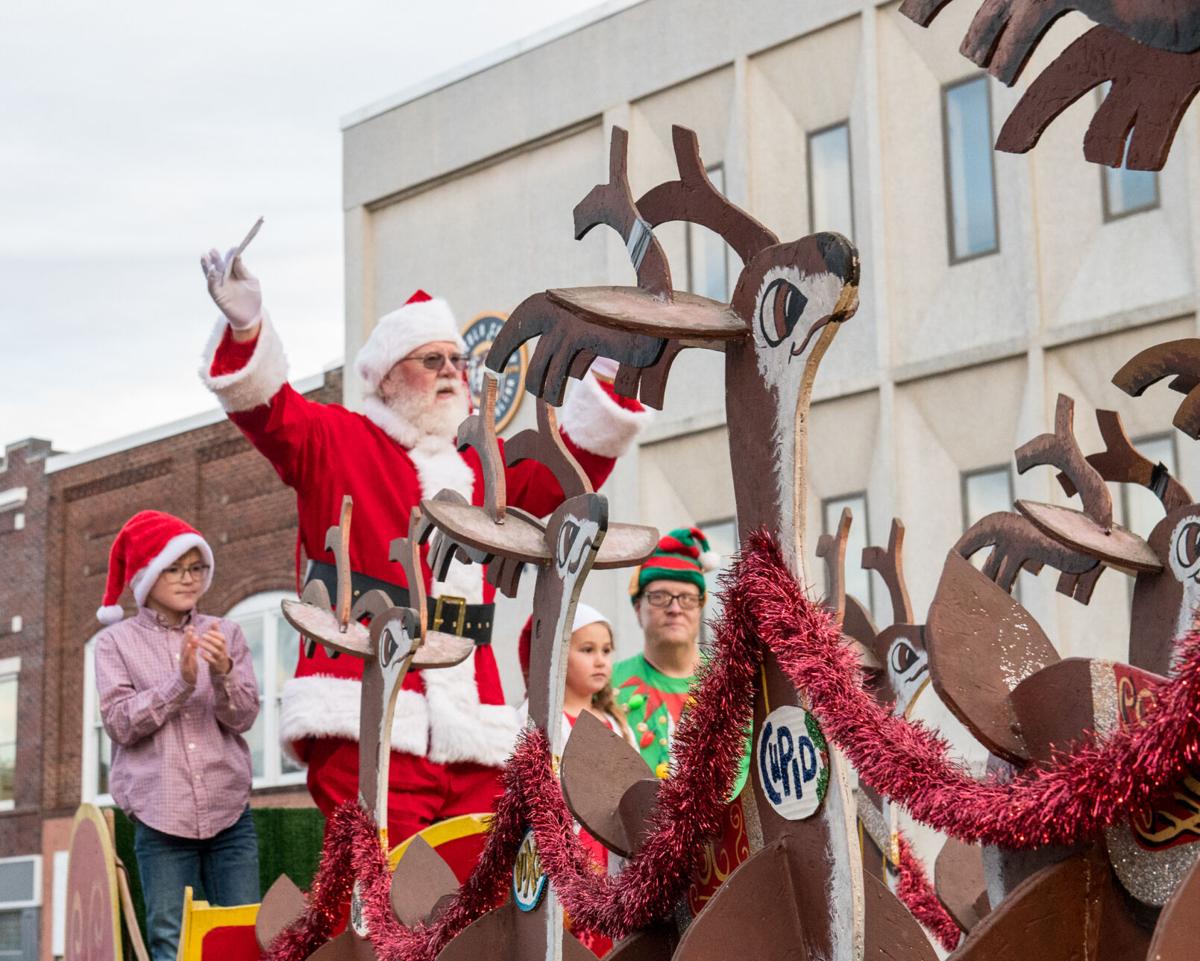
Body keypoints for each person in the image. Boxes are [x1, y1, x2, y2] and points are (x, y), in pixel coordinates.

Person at [196, 244, 650, 850]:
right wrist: (247, 328)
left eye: (457, 361)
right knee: (386, 902)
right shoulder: (337, 439)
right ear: (386, 377)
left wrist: (614, 386)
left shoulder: (479, 465)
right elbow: (270, 412)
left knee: (481, 896)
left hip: (472, 721)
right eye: (430, 359)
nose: (449, 372)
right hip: (369, 711)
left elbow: (565, 475)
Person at [93, 511, 260, 961]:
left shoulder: (226, 633)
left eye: (196, 567)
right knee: (172, 939)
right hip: (159, 815)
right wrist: (180, 683)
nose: (189, 579)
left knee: (245, 931)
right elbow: (119, 723)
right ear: (147, 575)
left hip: (230, 813)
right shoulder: (114, 644)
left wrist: (223, 673)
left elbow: (244, 717)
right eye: (175, 567)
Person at [612, 527, 723, 778]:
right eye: (659, 597)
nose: (675, 608)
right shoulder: (604, 686)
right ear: (638, 607)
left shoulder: (729, 684)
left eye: (687, 598)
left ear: (699, 608)